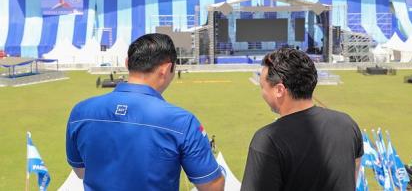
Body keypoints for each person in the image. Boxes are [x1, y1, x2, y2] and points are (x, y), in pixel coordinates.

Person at [66, 33, 224, 191]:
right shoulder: (182, 122)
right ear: (166, 69)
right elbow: (212, 186)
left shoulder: (80, 112)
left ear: (127, 63)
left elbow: (81, 171)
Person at [241, 48, 363, 191]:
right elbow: (353, 177)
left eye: (263, 87)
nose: (262, 93)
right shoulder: (348, 125)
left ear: (279, 90)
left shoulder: (268, 140)